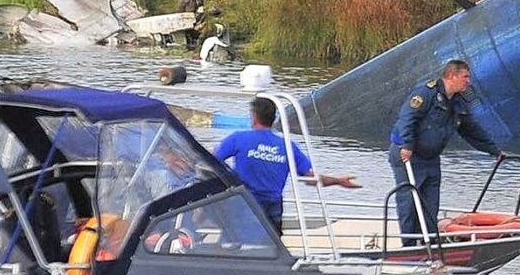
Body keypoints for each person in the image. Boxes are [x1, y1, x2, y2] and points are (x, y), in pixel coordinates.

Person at [389, 57, 501, 245]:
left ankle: (429, 243)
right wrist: (407, 146)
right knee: (408, 201)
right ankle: (408, 244)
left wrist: (493, 150)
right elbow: (407, 120)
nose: (468, 81)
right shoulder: (426, 93)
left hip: (431, 159)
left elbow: (470, 129)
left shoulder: (458, 102)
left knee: (430, 204)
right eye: (465, 77)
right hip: (409, 156)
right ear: (451, 76)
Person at [214, 97, 356, 235]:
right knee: (271, 246)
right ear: (274, 118)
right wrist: (338, 181)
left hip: (245, 204)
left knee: (231, 240)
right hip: (272, 206)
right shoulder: (288, 146)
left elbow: (212, 161)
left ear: (254, 116)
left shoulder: (237, 139)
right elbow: (310, 179)